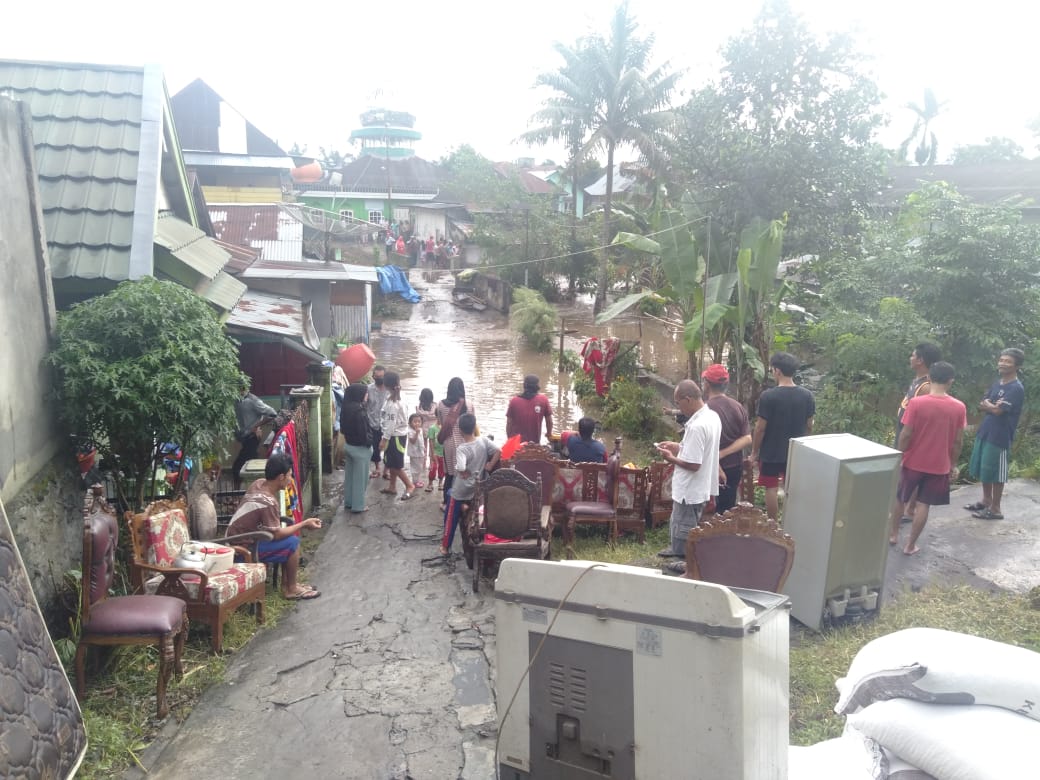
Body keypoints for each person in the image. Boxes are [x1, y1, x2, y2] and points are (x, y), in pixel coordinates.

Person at [888, 362, 967, 555]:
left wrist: (900, 456)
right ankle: (910, 545)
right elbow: (957, 442)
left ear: (929, 378)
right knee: (924, 504)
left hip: (912, 461)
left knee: (900, 498)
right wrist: (953, 464)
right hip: (939, 465)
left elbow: (906, 434)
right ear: (951, 381)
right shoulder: (959, 407)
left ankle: (893, 535)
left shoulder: (916, 403)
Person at [226, 453, 322, 600]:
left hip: (236, 539)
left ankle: (288, 584)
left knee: (289, 538)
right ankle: (291, 589)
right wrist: (304, 524)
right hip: (242, 549)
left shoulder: (258, 483)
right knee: (293, 543)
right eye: (290, 475)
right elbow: (276, 535)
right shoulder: (269, 501)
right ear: (281, 477)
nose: (291, 480)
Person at [655, 380, 721, 575]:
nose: (678, 407)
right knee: (681, 523)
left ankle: (685, 565)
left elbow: (694, 464)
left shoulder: (697, 426)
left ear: (688, 399)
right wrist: (678, 447)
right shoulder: (712, 416)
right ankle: (678, 553)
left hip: (691, 488)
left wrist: (671, 458)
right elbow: (700, 450)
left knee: (685, 528)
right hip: (698, 486)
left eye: (678, 402)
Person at [750, 352, 815, 520]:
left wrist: (754, 452)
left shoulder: (768, 396)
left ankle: (773, 526)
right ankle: (790, 523)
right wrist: (803, 443)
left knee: (770, 488)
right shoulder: (807, 396)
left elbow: (760, 428)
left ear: (777, 371)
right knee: (791, 488)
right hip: (795, 451)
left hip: (771, 451)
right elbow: (809, 425)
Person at [964, 348, 1026, 520]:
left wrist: (990, 407)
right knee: (985, 468)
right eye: (1001, 359)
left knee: (996, 472)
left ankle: (996, 509)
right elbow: (982, 404)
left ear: (1017, 366)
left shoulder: (1016, 388)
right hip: (986, 431)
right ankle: (986, 501)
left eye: (1008, 361)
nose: (1002, 363)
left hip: (1000, 436)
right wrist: (992, 406)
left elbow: (999, 411)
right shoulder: (997, 383)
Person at [894, 343, 942, 524]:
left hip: (911, 436)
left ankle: (909, 509)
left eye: (913, 355)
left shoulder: (927, 386)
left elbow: (922, 418)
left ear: (921, 360)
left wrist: (909, 440)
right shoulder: (917, 380)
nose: (911, 358)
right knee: (903, 474)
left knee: (909, 473)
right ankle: (906, 508)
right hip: (902, 430)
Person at [440, 413, 500, 556]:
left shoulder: (462, 448)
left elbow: (460, 466)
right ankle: (464, 506)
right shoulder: (484, 441)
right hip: (479, 488)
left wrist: (464, 470)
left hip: (462, 490)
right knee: (450, 496)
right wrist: (490, 465)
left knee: (450, 515)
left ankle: (445, 547)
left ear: (460, 430)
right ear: (474, 427)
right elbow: (498, 450)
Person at [701, 364, 752, 515]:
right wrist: (725, 453)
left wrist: (719, 455)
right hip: (734, 467)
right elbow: (747, 438)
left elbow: (702, 444)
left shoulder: (705, 410)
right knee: (727, 510)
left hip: (711, 468)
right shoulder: (737, 406)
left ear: (707, 384)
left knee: (708, 511)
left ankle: (708, 537)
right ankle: (726, 536)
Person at [436, 377, 474, 508]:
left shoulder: (441, 404)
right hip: (466, 443)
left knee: (450, 474)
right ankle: (464, 502)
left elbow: (441, 423)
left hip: (449, 444)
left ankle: (447, 502)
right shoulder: (468, 405)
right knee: (464, 473)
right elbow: (472, 424)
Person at [378, 371, 416, 500]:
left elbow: (390, 424)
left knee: (396, 465)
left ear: (385, 384)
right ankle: (392, 486)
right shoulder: (399, 396)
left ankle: (409, 485)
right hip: (397, 434)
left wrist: (384, 439)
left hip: (395, 437)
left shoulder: (393, 403)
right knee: (391, 462)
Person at [232, 380, 277, 487]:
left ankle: (237, 494)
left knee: (237, 468)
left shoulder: (252, 400)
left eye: (241, 388)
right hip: (244, 438)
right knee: (250, 466)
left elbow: (272, 413)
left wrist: (256, 426)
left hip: (251, 438)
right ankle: (249, 491)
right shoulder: (237, 400)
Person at [339, 383, 371, 514]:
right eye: (365, 393)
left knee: (350, 477)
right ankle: (358, 506)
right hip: (360, 449)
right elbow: (364, 433)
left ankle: (349, 502)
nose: (367, 395)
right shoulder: (359, 411)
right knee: (360, 479)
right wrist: (370, 443)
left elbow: (342, 428)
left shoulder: (345, 407)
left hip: (349, 446)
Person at [506, 374, 553, 445]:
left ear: (524, 385)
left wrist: (509, 439)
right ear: (537, 387)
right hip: (534, 444)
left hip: (516, 445)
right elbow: (549, 421)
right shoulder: (543, 400)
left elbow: (509, 423)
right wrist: (549, 433)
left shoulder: (514, 401)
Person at [366, 365, 389, 479]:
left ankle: (386, 470)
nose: (379, 378)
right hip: (373, 423)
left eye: (382, 376)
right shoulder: (368, 389)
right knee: (375, 448)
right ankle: (377, 468)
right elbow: (365, 405)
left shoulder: (390, 390)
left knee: (388, 449)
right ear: (373, 376)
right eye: (377, 376)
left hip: (387, 425)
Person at [406, 413, 427, 489]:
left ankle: (417, 480)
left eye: (419, 421)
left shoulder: (420, 430)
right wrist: (416, 433)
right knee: (415, 468)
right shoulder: (410, 431)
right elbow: (412, 441)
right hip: (414, 453)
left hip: (420, 451)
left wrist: (424, 448)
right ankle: (415, 482)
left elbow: (421, 440)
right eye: (415, 421)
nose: (417, 423)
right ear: (410, 423)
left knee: (419, 467)